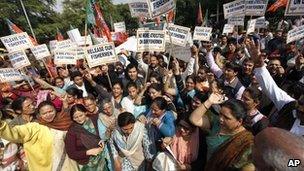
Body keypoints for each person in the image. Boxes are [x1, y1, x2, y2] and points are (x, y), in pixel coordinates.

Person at [0, 100, 78, 171]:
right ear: (39, 115)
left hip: (69, 164)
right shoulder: (35, 127)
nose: (48, 115)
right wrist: (1, 125)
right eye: (44, 113)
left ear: (55, 110)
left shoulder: (65, 122)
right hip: (47, 167)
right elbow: (15, 133)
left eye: (51, 111)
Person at [190, 94, 254, 171]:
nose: (221, 119)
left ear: (239, 121)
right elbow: (194, 119)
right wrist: (209, 101)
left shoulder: (247, 142)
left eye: (226, 118)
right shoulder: (216, 123)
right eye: (220, 114)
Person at [64, 104, 108, 170]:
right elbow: (71, 153)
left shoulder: (95, 120)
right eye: (75, 117)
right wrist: (88, 152)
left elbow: (105, 134)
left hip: (102, 159)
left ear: (85, 112)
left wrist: (102, 140)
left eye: (81, 115)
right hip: (87, 164)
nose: (79, 119)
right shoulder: (72, 131)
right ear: (72, 118)